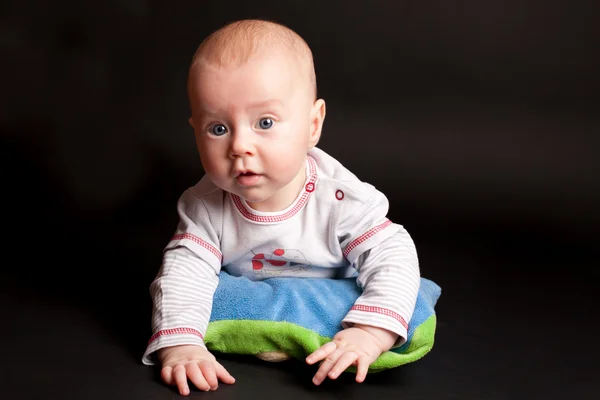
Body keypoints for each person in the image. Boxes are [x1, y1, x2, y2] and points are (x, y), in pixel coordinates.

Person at [142, 18, 421, 395]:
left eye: (265, 122)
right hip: (254, 294)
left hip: (332, 292)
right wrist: (181, 345)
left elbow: (392, 253)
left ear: (312, 124)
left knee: (409, 297)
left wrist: (369, 334)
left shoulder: (338, 197)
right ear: (195, 130)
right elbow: (184, 271)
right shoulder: (205, 205)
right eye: (218, 128)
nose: (239, 145)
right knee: (188, 287)